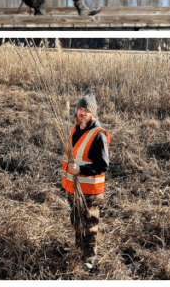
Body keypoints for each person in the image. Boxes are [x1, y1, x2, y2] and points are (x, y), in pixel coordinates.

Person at [61, 94, 110, 272]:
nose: (82, 113)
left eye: (87, 111)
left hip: (90, 191)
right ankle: (78, 248)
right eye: (81, 109)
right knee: (76, 220)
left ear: (93, 114)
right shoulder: (75, 129)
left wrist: (81, 170)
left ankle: (89, 259)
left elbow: (103, 166)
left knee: (89, 225)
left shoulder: (99, 136)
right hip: (73, 188)